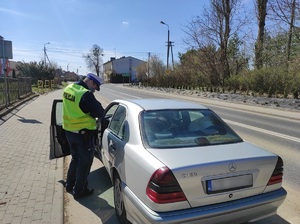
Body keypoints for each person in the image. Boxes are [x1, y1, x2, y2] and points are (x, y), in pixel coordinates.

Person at [62, 73, 105, 199]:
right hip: (83, 135)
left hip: (69, 132)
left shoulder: (68, 88)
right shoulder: (86, 94)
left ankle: (69, 185)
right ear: (90, 82)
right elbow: (99, 112)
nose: (94, 90)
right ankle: (79, 190)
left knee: (75, 159)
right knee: (85, 163)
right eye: (95, 87)